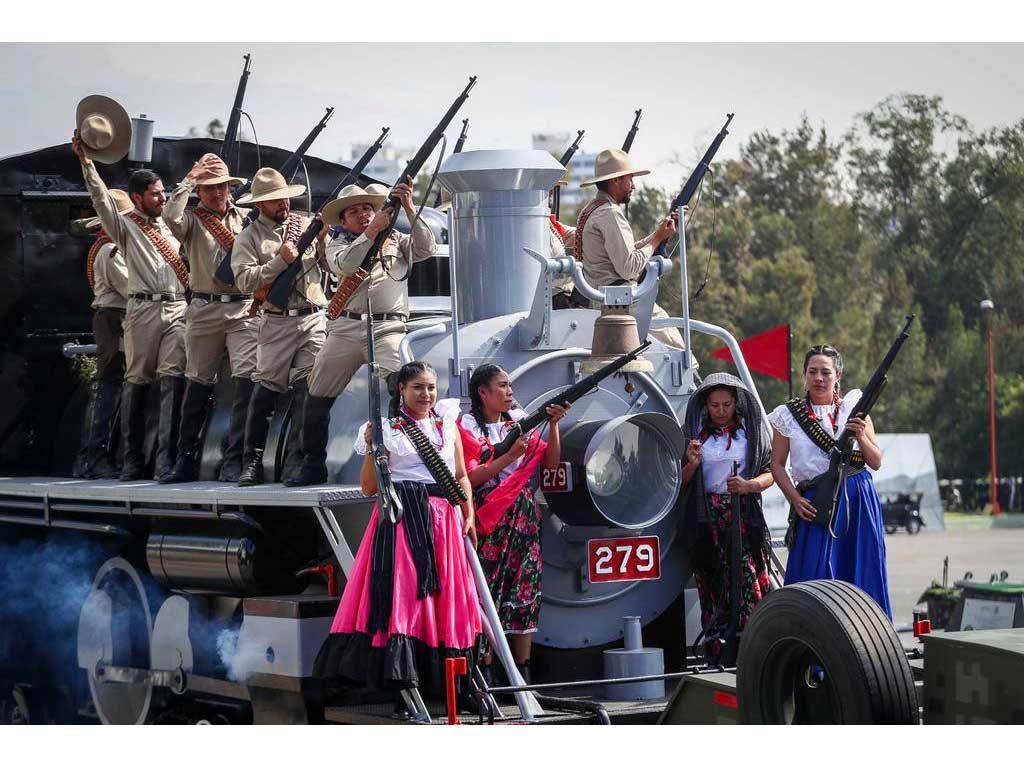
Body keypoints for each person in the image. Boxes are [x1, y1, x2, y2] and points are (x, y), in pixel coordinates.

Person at [312, 361, 481, 699]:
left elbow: (460, 475)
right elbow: (368, 487)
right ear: (401, 390)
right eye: (418, 387)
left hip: (443, 521)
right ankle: (405, 679)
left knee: (445, 597)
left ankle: (447, 681)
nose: (426, 394)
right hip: (404, 519)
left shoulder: (447, 426)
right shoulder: (388, 429)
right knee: (406, 597)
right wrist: (375, 450)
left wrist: (469, 513)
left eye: (431, 387)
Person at [287, 179, 436, 487]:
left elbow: (427, 248)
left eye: (368, 208)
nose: (364, 215)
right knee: (316, 392)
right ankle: (311, 463)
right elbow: (346, 263)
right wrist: (371, 232)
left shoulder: (395, 238)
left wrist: (408, 206)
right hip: (346, 327)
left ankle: (405, 459)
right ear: (343, 220)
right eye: (354, 212)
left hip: (387, 326)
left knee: (402, 383)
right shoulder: (338, 244)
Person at [73, 128, 187, 481]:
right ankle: (131, 459)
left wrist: (191, 183)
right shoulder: (124, 229)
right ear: (137, 198)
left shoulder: (170, 225)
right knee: (136, 380)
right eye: (155, 194)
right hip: (141, 310)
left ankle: (166, 461)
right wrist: (86, 164)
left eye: (163, 193)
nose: (161, 199)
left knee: (172, 377)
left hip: (177, 308)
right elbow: (102, 201)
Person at [456, 364, 570, 683]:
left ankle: (522, 673)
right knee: (487, 590)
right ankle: (486, 673)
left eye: (510, 386)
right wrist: (507, 458)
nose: (509, 392)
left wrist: (554, 424)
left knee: (525, 587)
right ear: (482, 392)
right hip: (488, 515)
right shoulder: (467, 427)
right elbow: (470, 477)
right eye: (502, 386)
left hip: (521, 514)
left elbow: (550, 463)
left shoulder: (519, 422)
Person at [768, 344, 892, 619]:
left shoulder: (856, 408)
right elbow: (776, 465)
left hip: (857, 498)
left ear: (838, 376)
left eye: (825, 372)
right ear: (804, 375)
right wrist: (795, 499)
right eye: (812, 372)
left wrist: (860, 436)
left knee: (861, 567)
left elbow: (875, 462)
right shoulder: (788, 416)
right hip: (815, 502)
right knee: (815, 575)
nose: (819, 378)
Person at [160, 153, 255, 483]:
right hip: (204, 308)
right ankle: (185, 459)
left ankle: (236, 458)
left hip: (243, 307)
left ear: (230, 188)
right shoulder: (191, 219)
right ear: (200, 191)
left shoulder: (245, 219)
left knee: (246, 380)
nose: (216, 193)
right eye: (209, 188)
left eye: (221, 187)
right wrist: (189, 179)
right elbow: (169, 216)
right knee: (198, 382)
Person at [230, 167, 328, 486]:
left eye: (284, 198)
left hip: (312, 317)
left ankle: (297, 461)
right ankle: (251, 461)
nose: (282, 204)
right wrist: (279, 262)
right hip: (276, 321)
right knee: (265, 392)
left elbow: (328, 265)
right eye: (273, 201)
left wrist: (325, 239)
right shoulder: (249, 237)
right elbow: (244, 280)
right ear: (260, 205)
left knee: (307, 392)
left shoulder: (307, 224)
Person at [680, 372, 774, 660]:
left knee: (747, 578)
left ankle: (754, 649)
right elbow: (679, 483)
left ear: (737, 403)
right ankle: (719, 650)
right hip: (706, 519)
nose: (721, 411)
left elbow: (772, 473)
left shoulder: (751, 434)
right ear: (705, 405)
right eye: (714, 405)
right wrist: (692, 465)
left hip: (742, 515)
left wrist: (748, 486)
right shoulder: (694, 437)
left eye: (727, 405)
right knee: (713, 581)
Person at [576, 148, 685, 350]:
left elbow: (626, 252)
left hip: (604, 301)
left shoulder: (591, 209)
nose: (633, 186)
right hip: (621, 302)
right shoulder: (610, 214)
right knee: (679, 348)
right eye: (630, 179)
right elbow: (629, 267)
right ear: (616, 180)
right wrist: (657, 239)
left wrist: (658, 234)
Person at [73, 190, 133, 479]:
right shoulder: (111, 252)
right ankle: (93, 458)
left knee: (112, 386)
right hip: (114, 319)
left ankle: (93, 457)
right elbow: (133, 288)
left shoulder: (106, 248)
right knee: (109, 385)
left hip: (113, 318)